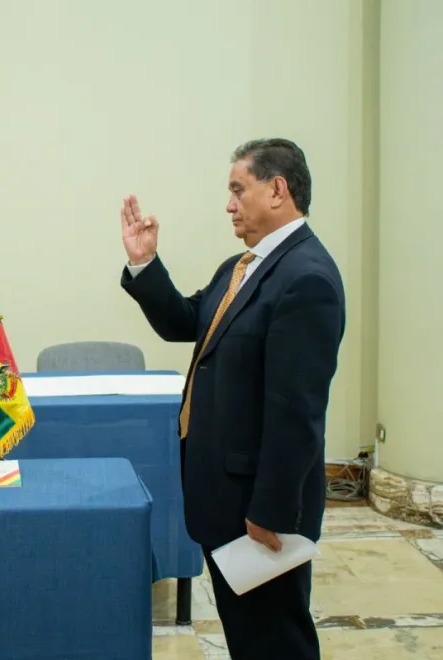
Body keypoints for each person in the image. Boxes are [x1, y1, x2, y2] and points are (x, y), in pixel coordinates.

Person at [119, 138, 345, 659]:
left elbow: (297, 412)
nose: (228, 204)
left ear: (278, 190)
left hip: (258, 513)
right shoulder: (242, 267)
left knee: (275, 642)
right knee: (250, 639)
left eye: (237, 190)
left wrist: (271, 510)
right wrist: (145, 264)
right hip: (226, 500)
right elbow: (185, 322)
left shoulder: (305, 277)